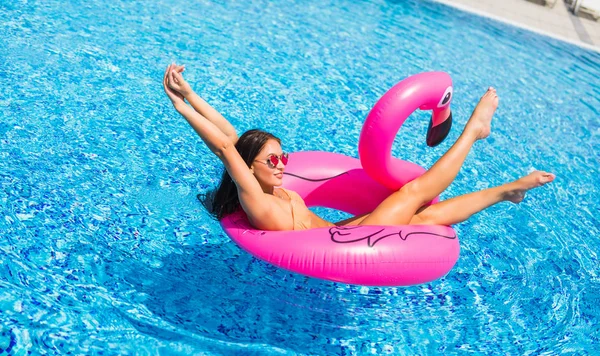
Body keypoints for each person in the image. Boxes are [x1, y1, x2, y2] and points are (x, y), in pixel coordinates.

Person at [163, 63, 555, 231]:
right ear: (248, 169)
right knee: (416, 192)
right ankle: (473, 130)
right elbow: (226, 149)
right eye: (273, 160)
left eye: (283, 155)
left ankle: (507, 191)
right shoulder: (258, 200)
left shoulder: (270, 187)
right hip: (349, 240)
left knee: (422, 217)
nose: (283, 164)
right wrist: (179, 106)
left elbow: (233, 137)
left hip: (343, 230)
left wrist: (193, 93)